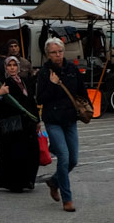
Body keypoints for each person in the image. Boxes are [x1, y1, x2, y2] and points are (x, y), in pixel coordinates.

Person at [35, 37, 88, 212]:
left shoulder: (72, 69)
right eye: (53, 53)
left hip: (70, 119)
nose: (57, 55)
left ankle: (54, 181)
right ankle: (67, 198)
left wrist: (84, 105)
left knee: (73, 159)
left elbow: (82, 91)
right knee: (64, 158)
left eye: (60, 51)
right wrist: (52, 85)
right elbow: (40, 98)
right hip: (53, 120)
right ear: (47, 54)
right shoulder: (44, 72)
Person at [0, 55, 41, 192]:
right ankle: (14, 183)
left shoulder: (24, 81)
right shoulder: (2, 82)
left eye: (14, 65)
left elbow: (31, 102)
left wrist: (37, 120)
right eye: (9, 65)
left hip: (27, 123)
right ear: (5, 67)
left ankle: (27, 180)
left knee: (30, 152)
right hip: (12, 124)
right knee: (14, 154)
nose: (12, 68)